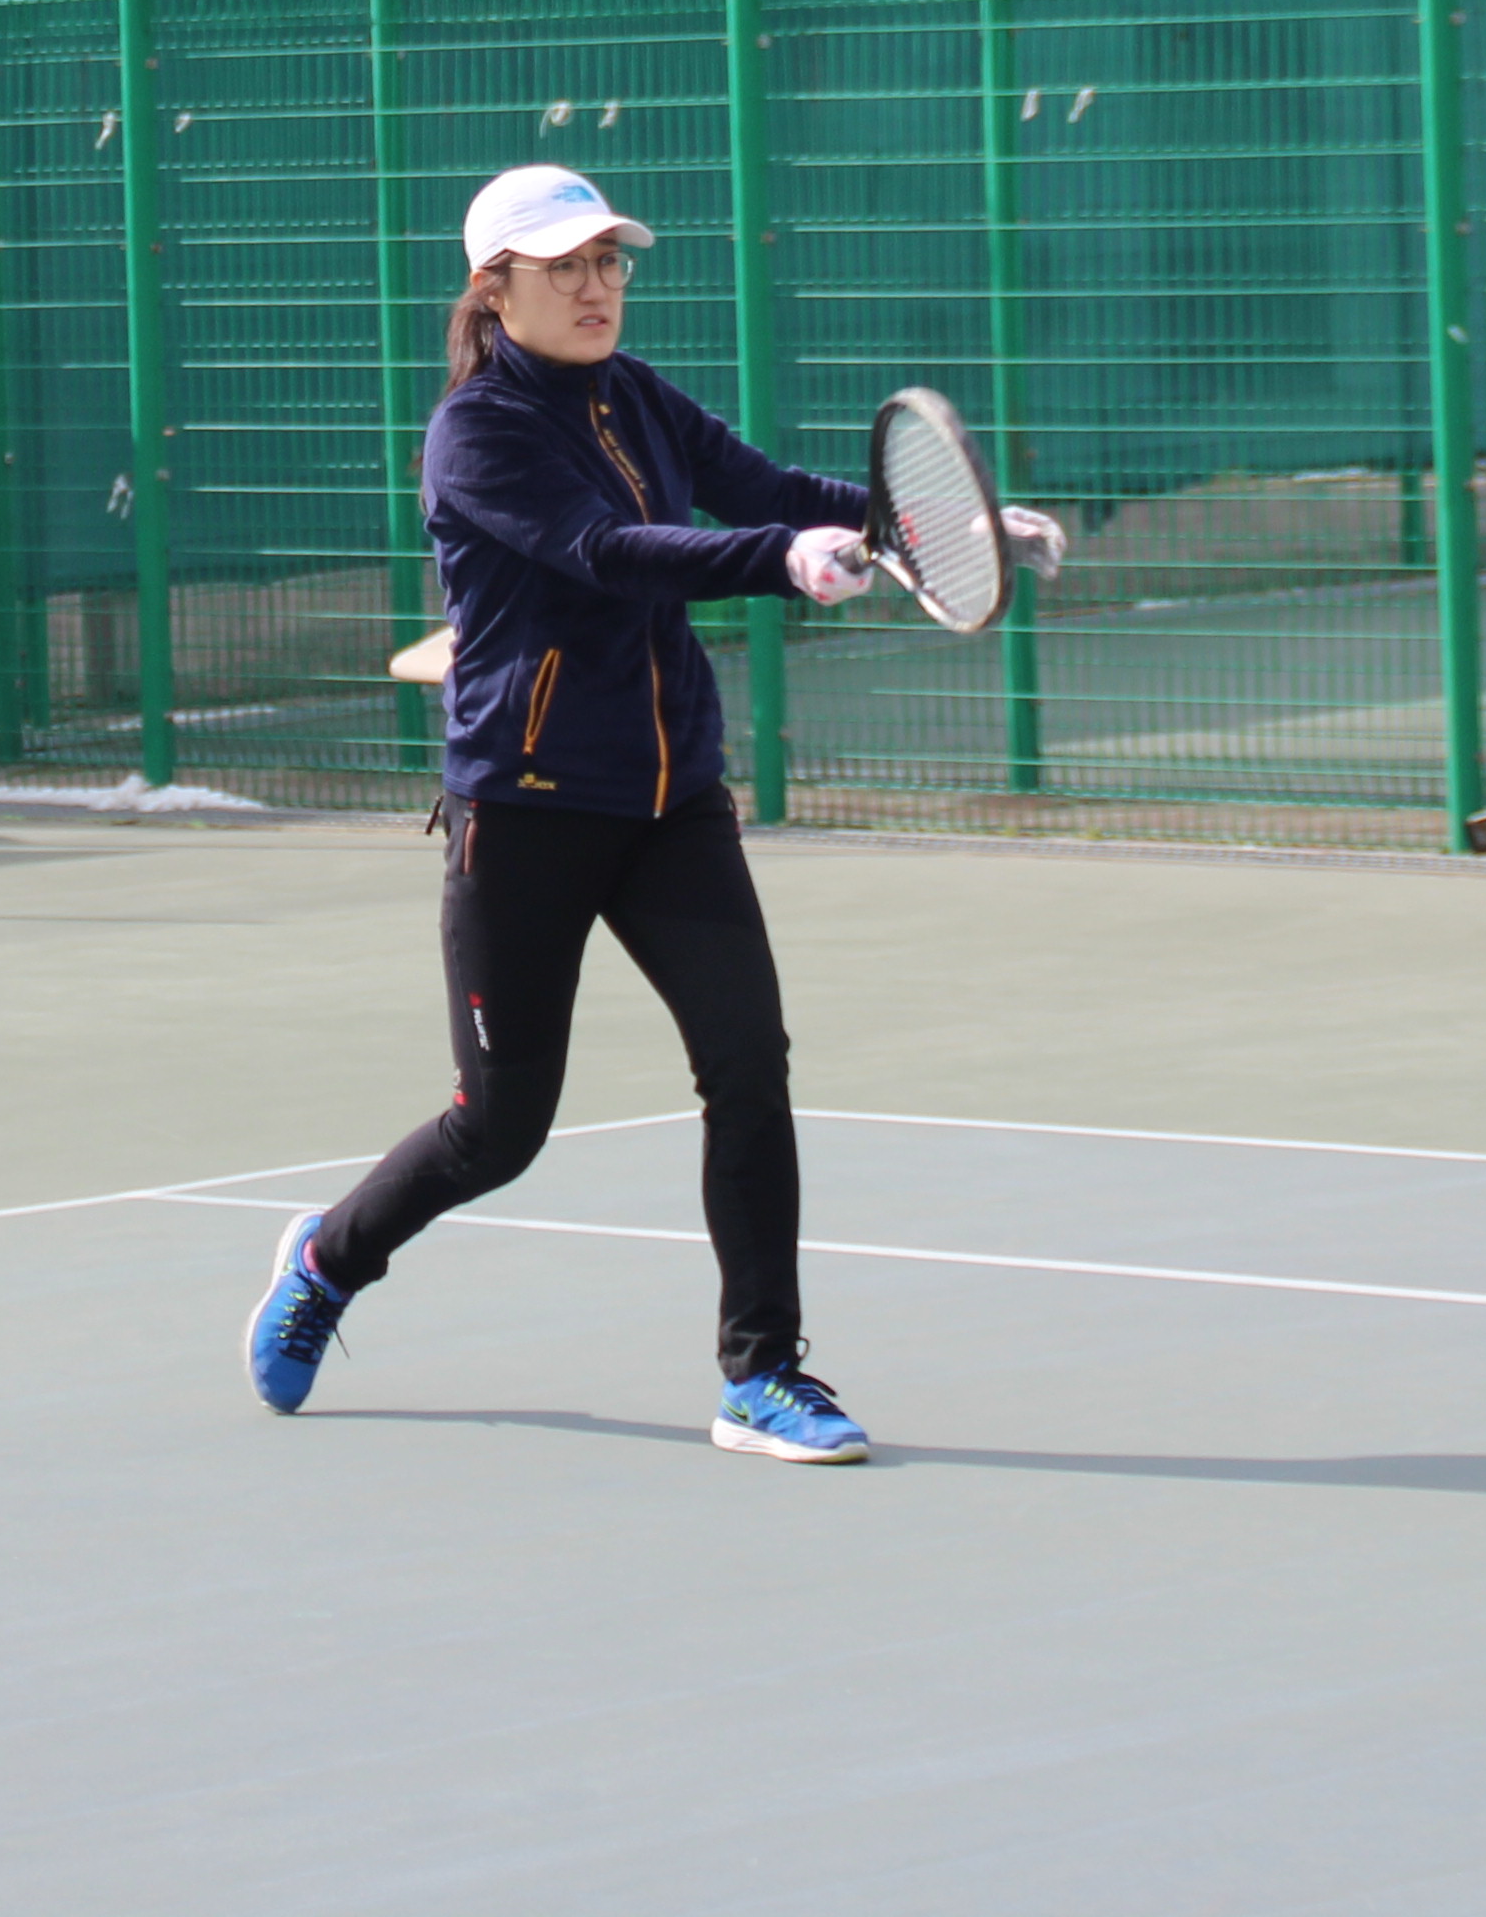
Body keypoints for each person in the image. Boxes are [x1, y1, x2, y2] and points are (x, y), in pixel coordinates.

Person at [243, 163, 1063, 1461]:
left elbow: (759, 483)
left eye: (609, 262)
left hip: (673, 806)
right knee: (499, 1129)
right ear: (494, 288)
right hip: (525, 815)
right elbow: (609, 552)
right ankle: (331, 1259)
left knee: (748, 1066)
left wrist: (942, 526)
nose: (596, 287)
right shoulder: (476, 435)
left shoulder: (637, 395)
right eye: (564, 266)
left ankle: (764, 1374)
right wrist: (781, 566)